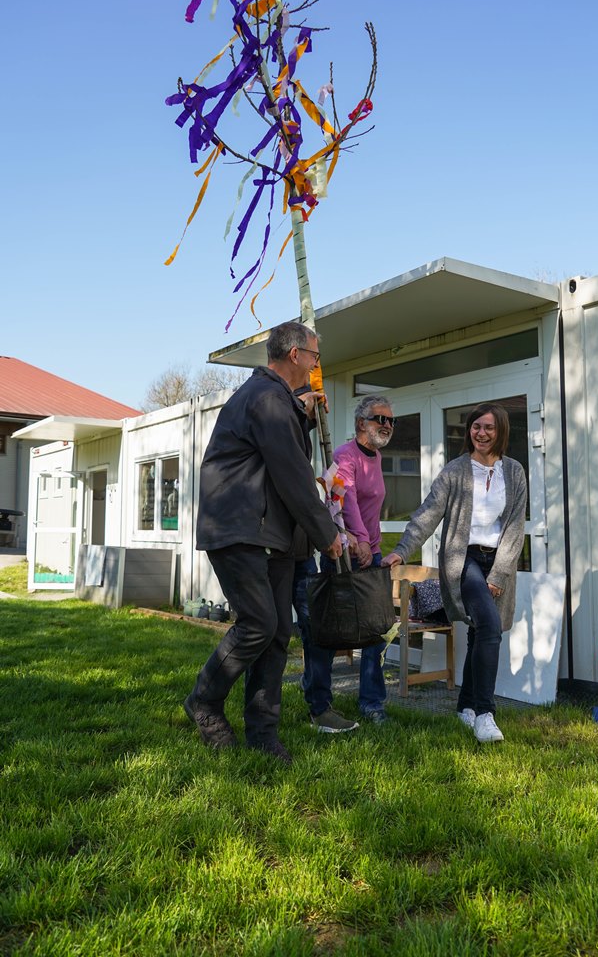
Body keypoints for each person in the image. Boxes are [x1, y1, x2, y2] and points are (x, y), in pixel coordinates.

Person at [183, 321, 343, 764]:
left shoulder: (275, 401)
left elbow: (276, 458)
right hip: (241, 530)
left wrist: (301, 417)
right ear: (295, 356)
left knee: (277, 633)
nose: (316, 365)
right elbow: (291, 475)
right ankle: (204, 702)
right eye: (314, 356)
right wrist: (327, 535)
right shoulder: (268, 399)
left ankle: (263, 733)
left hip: (269, 534)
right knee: (258, 624)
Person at [383, 403, 527, 744]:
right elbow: (427, 514)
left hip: (498, 561)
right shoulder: (455, 471)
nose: (481, 433)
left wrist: (500, 576)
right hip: (464, 560)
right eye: (476, 426)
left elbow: (515, 529)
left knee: (480, 631)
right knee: (490, 627)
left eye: (489, 427)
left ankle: (465, 708)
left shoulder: (515, 472)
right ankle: (485, 713)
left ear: (501, 431)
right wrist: (401, 550)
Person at [301, 395, 396, 730]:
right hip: (346, 551)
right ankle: (317, 695)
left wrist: (374, 544)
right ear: (360, 424)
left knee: (376, 629)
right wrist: (360, 541)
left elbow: (373, 509)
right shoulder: (344, 455)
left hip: (371, 550)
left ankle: (371, 702)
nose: (385, 425)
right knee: (330, 630)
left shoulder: (378, 457)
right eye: (378, 419)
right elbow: (347, 500)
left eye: (389, 420)